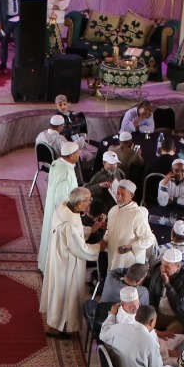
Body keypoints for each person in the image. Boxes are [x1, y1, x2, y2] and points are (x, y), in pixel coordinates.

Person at [39, 187, 103, 337]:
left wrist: (90, 230)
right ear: (80, 203)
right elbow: (79, 248)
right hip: (67, 262)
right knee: (66, 292)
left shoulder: (63, 207)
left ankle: (56, 322)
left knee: (58, 290)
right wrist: (99, 247)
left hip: (58, 257)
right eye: (88, 200)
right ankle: (59, 326)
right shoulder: (70, 222)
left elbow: (75, 232)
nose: (90, 203)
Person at [100, 288, 162, 367]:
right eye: (132, 306)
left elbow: (104, 332)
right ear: (152, 322)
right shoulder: (150, 343)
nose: (135, 308)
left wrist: (112, 315)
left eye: (137, 305)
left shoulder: (119, 327)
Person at [37, 141, 80, 270]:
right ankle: (53, 269)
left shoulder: (57, 163)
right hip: (61, 214)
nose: (79, 154)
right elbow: (61, 199)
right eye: (77, 152)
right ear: (71, 156)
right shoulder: (66, 173)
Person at [147, 248, 184, 333]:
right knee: (143, 329)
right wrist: (153, 313)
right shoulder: (159, 271)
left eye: (167, 267)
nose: (163, 269)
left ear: (178, 266)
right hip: (159, 313)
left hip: (181, 317)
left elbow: (179, 304)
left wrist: (167, 284)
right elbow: (151, 295)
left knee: (166, 337)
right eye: (162, 265)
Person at [103, 178, 156, 269]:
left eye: (123, 194)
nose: (119, 197)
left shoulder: (137, 215)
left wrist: (131, 246)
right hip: (113, 257)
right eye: (117, 193)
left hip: (129, 262)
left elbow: (149, 238)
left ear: (131, 195)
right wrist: (104, 240)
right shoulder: (113, 210)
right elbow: (109, 230)